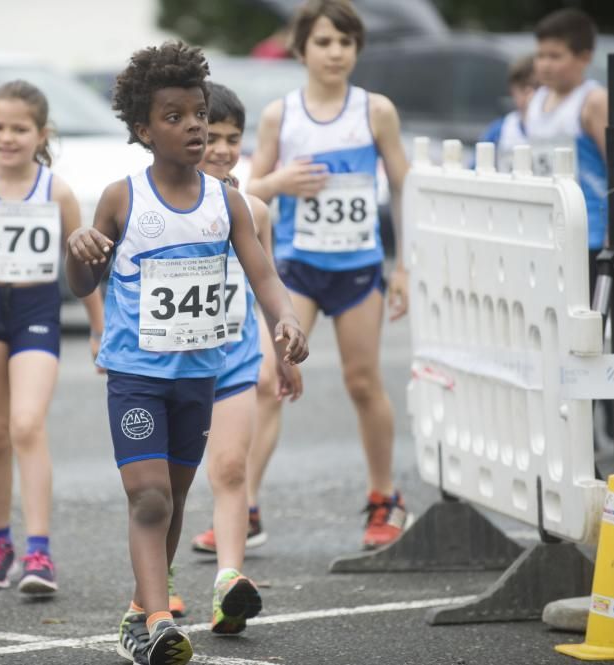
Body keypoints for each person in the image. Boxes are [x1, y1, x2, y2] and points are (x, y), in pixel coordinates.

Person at [66, 41, 308, 665]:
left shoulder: (225, 203)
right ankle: (155, 622)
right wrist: (80, 247)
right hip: (137, 375)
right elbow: (81, 285)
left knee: (171, 499)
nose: (195, 126)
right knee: (147, 497)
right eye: (175, 117)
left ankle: (136, 611)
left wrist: (285, 320)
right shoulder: (123, 199)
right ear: (145, 131)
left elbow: (263, 276)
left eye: (198, 113)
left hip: (198, 374)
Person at [247, 0, 411, 551]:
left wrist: (405, 265)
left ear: (357, 49)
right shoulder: (281, 114)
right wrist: (282, 179)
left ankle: (384, 497)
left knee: (362, 382)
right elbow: (249, 192)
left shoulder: (375, 111)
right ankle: (242, 506)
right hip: (297, 267)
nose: (335, 52)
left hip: (359, 268)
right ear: (300, 50)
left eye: (344, 42)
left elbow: (403, 187)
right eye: (323, 42)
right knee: (270, 380)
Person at [0, 80, 104, 596]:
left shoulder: (57, 192)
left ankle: (39, 550)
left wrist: (101, 329)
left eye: (18, 128)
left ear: (41, 133)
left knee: (27, 424)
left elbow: (82, 269)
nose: (6, 138)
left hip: (36, 311)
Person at [184, 81, 303, 635]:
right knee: (165, 482)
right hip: (172, 361)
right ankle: (153, 586)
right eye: (213, 137)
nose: (225, 149)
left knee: (231, 468)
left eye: (234, 138)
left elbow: (266, 285)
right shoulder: (159, 207)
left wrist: (283, 353)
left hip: (233, 355)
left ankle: (228, 585)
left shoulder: (254, 209)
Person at [526, 7, 614, 292]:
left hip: (589, 232)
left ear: (584, 57)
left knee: (588, 322)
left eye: (555, 56)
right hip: (547, 231)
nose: (544, 64)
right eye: (540, 55)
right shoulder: (537, 99)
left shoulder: (593, 101)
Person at [479, 55, 536, 172]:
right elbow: (477, 169)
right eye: (522, 87)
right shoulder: (499, 131)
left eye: (537, 87)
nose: (529, 93)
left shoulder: (558, 127)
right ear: (512, 90)